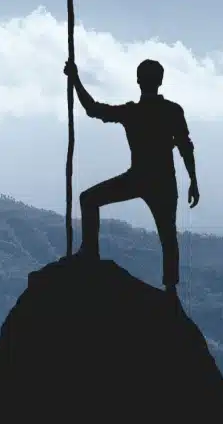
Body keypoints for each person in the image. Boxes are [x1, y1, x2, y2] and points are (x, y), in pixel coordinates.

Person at [63, 59, 198, 295]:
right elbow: (185, 146)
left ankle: (90, 253)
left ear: (138, 81)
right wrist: (193, 181)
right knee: (168, 235)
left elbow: (93, 109)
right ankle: (171, 289)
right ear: (161, 81)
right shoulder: (172, 111)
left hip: (137, 178)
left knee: (89, 199)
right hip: (164, 182)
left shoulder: (132, 112)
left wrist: (74, 79)